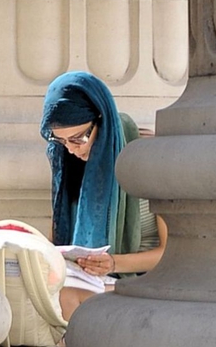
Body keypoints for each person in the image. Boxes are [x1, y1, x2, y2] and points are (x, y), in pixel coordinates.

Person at [40, 69, 167, 321]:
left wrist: (113, 264)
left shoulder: (150, 160)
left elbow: (173, 253)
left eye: (79, 138)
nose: (72, 149)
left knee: (70, 297)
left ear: (102, 120)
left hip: (145, 279)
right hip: (94, 279)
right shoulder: (70, 163)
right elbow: (58, 241)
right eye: (61, 141)